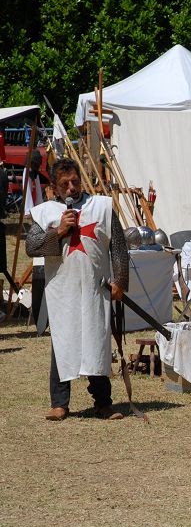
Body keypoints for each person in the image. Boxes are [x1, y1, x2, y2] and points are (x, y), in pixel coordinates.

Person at [25, 158, 129, 421]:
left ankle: (103, 403)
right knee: (63, 343)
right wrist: (59, 231)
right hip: (63, 291)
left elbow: (118, 246)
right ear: (54, 186)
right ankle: (59, 404)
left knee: (97, 343)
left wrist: (120, 281)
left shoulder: (101, 207)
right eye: (65, 184)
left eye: (75, 182)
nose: (71, 188)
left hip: (95, 288)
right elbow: (32, 247)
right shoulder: (45, 212)